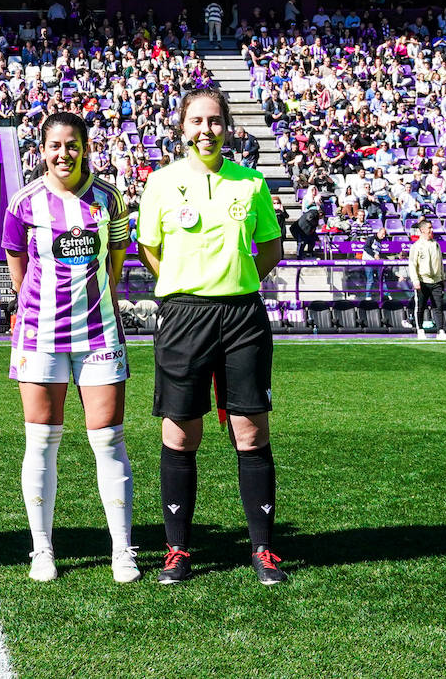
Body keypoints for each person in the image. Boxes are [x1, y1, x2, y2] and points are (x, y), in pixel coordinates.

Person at [136, 89, 286, 586]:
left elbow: (270, 248)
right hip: (184, 317)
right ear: (182, 127)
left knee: (251, 431)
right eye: (197, 121)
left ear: (228, 127)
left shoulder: (252, 184)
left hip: (243, 315)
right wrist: (186, 286)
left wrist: (236, 280)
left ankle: (263, 550)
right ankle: (178, 549)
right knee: (181, 431)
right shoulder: (159, 183)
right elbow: (149, 249)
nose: (206, 130)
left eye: (215, 121)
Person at [3, 112, 137, 583]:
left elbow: (116, 259)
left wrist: (95, 297)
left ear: (85, 148)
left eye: (73, 145)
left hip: (98, 332)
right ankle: (43, 550)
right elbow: (16, 261)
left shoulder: (109, 198)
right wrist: (36, 305)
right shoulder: (23, 203)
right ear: (42, 150)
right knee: (41, 443)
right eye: (55, 145)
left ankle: (123, 549)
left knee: (109, 440)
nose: (64, 153)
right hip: (39, 335)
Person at [408, 219, 445, 338]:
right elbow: (412, 264)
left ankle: (440, 331)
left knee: (438, 306)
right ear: (422, 230)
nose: (432, 230)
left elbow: (440, 262)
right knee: (420, 307)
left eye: (432, 227)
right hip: (422, 281)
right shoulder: (416, 246)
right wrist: (415, 279)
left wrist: (442, 277)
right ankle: (420, 330)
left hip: (436, 281)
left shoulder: (436, 244)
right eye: (429, 228)